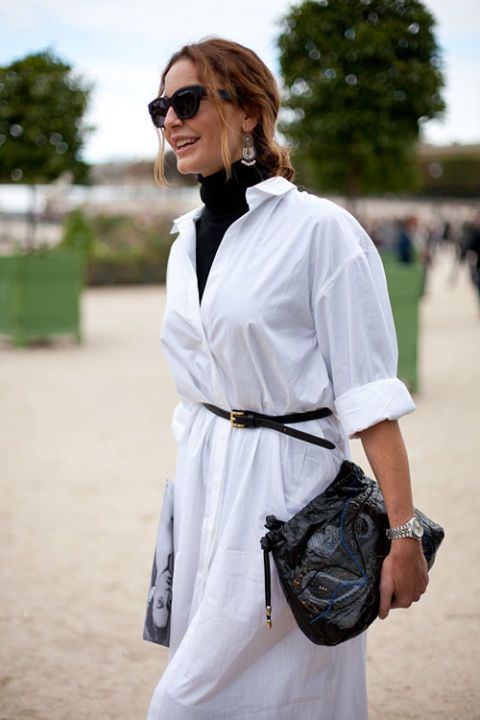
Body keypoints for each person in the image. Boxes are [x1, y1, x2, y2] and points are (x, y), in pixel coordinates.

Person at [145, 37, 429, 720]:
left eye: (187, 101)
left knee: (188, 702)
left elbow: (367, 394)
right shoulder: (185, 240)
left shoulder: (320, 230)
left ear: (248, 111)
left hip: (291, 495)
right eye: (160, 108)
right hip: (204, 475)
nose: (171, 120)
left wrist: (405, 533)